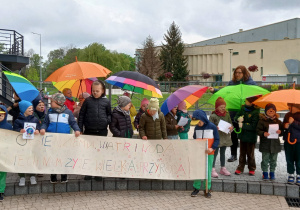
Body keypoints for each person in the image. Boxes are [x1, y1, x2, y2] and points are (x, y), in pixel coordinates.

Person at [208, 65, 256, 162]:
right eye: (236, 73)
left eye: (239, 72)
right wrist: (215, 91)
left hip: (246, 113)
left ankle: (246, 157)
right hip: (233, 112)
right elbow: (224, 92)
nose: (237, 74)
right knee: (233, 135)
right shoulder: (232, 83)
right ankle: (233, 154)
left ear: (244, 73)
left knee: (245, 136)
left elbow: (256, 96)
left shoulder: (251, 84)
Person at [40, 93, 80, 184]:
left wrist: (77, 130)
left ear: (58, 102)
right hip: (52, 139)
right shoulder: (49, 112)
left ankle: (64, 175)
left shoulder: (68, 112)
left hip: (64, 140)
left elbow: (73, 123)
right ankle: (53, 175)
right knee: (52, 157)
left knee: (63, 157)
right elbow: (45, 123)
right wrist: (43, 128)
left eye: (52, 102)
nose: (50, 103)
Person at [78, 80, 111, 181]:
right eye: (93, 91)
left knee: (99, 153)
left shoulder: (106, 101)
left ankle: (98, 173)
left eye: (97, 91)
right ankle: (88, 172)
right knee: (89, 153)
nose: (95, 93)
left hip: (101, 131)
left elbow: (110, 114)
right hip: (89, 130)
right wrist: (80, 128)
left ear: (102, 91)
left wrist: (106, 121)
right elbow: (81, 115)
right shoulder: (88, 101)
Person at [191, 110, 219, 198]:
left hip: (209, 153)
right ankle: (196, 188)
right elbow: (195, 137)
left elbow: (217, 139)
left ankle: (207, 189)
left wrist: (212, 148)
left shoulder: (212, 127)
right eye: (196, 122)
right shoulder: (196, 127)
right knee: (198, 170)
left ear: (203, 119)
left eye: (199, 122)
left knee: (208, 171)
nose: (198, 124)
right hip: (199, 153)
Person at [13, 100, 40, 187]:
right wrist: (19, 131)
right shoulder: (17, 121)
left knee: (32, 159)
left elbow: (38, 129)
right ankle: (22, 176)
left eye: (32, 108)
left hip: (32, 143)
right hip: (21, 144)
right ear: (24, 109)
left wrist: (37, 131)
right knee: (21, 159)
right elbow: (14, 131)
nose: (32, 110)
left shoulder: (35, 119)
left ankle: (32, 175)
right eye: (29, 108)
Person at [234, 95, 261, 176]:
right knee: (242, 152)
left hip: (251, 136)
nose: (245, 102)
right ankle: (240, 167)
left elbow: (254, 126)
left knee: (250, 153)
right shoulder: (243, 109)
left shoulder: (256, 112)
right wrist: (238, 119)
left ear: (251, 102)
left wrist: (243, 125)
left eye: (247, 101)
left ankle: (252, 168)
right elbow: (236, 116)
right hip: (243, 135)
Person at [256, 103, 283, 181]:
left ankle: (272, 172)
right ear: (266, 111)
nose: (271, 111)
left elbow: (282, 132)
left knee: (273, 160)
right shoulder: (262, 121)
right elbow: (258, 130)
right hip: (265, 144)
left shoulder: (278, 121)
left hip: (275, 144)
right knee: (265, 159)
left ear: (275, 111)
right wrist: (263, 133)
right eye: (269, 110)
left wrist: (280, 132)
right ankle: (265, 172)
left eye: (272, 110)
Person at [209, 97, 233, 177]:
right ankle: (212, 168)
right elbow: (209, 126)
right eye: (221, 107)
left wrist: (231, 127)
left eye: (224, 107)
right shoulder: (213, 116)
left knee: (223, 153)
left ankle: (223, 168)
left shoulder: (227, 114)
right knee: (214, 153)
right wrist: (215, 127)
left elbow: (230, 123)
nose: (223, 109)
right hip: (216, 137)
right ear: (217, 107)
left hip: (225, 137)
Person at [283, 103, 300, 185]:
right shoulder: (287, 115)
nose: (289, 107)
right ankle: (291, 174)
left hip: (298, 141)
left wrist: (293, 122)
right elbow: (283, 125)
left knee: (299, 159)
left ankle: (299, 174)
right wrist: (285, 126)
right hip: (288, 140)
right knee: (289, 158)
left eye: (291, 106)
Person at [0, 105, 13, 201]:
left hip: (3, 154)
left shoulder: (8, 127)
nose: (0, 116)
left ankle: (1, 191)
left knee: (2, 174)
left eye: (2, 114)